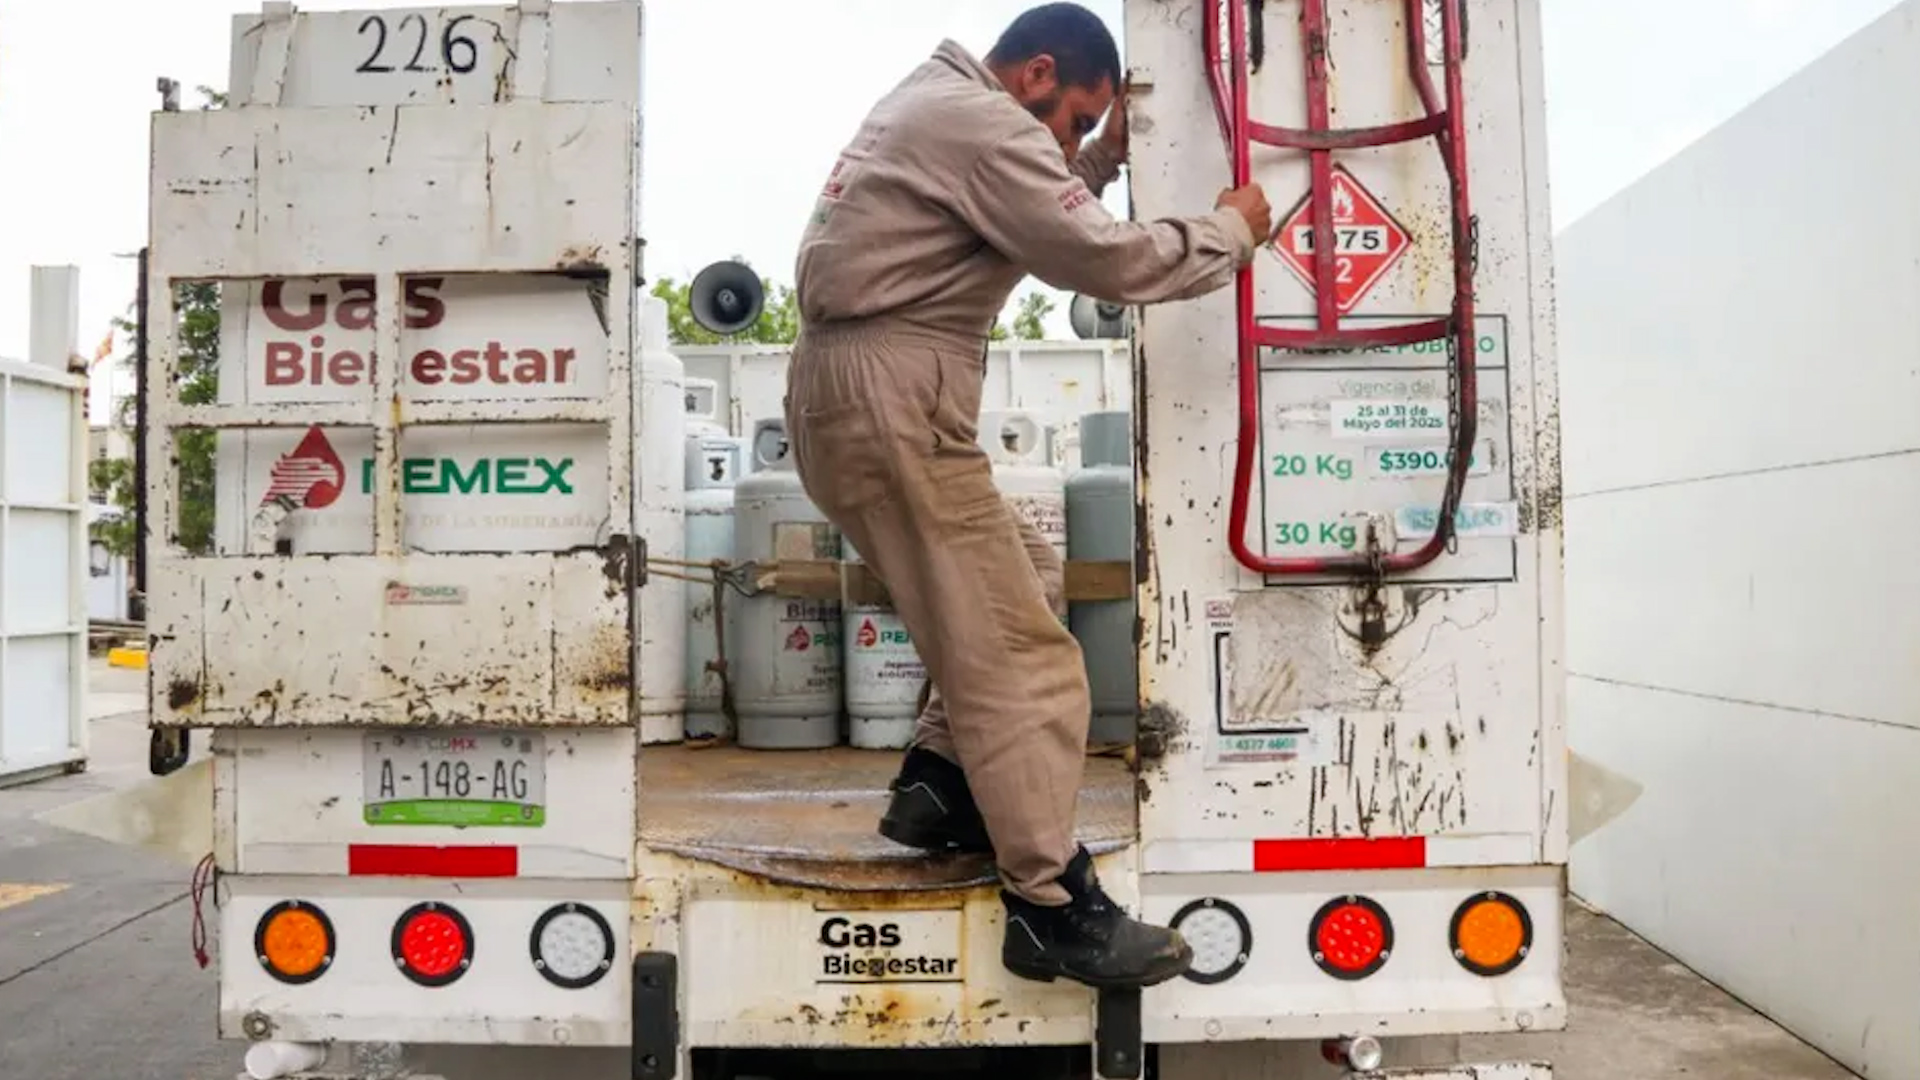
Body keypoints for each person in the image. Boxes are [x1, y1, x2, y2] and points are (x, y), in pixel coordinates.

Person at [784, 2, 1272, 990]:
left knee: (1026, 578)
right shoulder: (982, 123)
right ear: (1038, 73)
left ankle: (939, 784)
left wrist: (1098, 162)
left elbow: (1031, 209)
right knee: (1026, 656)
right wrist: (1230, 232)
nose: (1075, 143)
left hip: (853, 396)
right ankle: (1052, 907)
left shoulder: (940, 105)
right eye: (1080, 121)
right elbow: (1099, 256)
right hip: (892, 403)